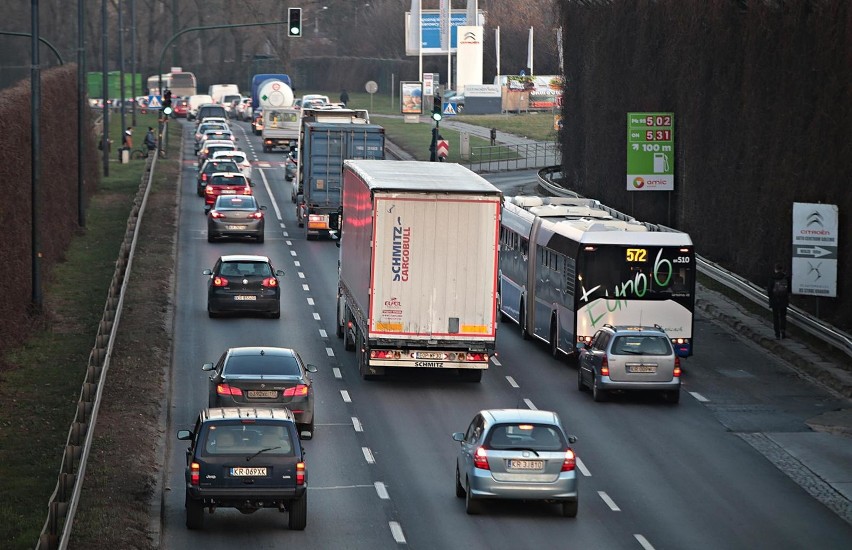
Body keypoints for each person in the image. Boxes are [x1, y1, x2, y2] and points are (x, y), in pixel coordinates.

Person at [767, 262, 791, 339]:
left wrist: (771, 297)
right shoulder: (786, 278)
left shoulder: (772, 277)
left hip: (774, 299)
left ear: (775, 269)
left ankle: (777, 334)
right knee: (783, 316)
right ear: (782, 269)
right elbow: (789, 289)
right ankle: (783, 330)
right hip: (783, 299)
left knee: (775, 317)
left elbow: (769, 289)